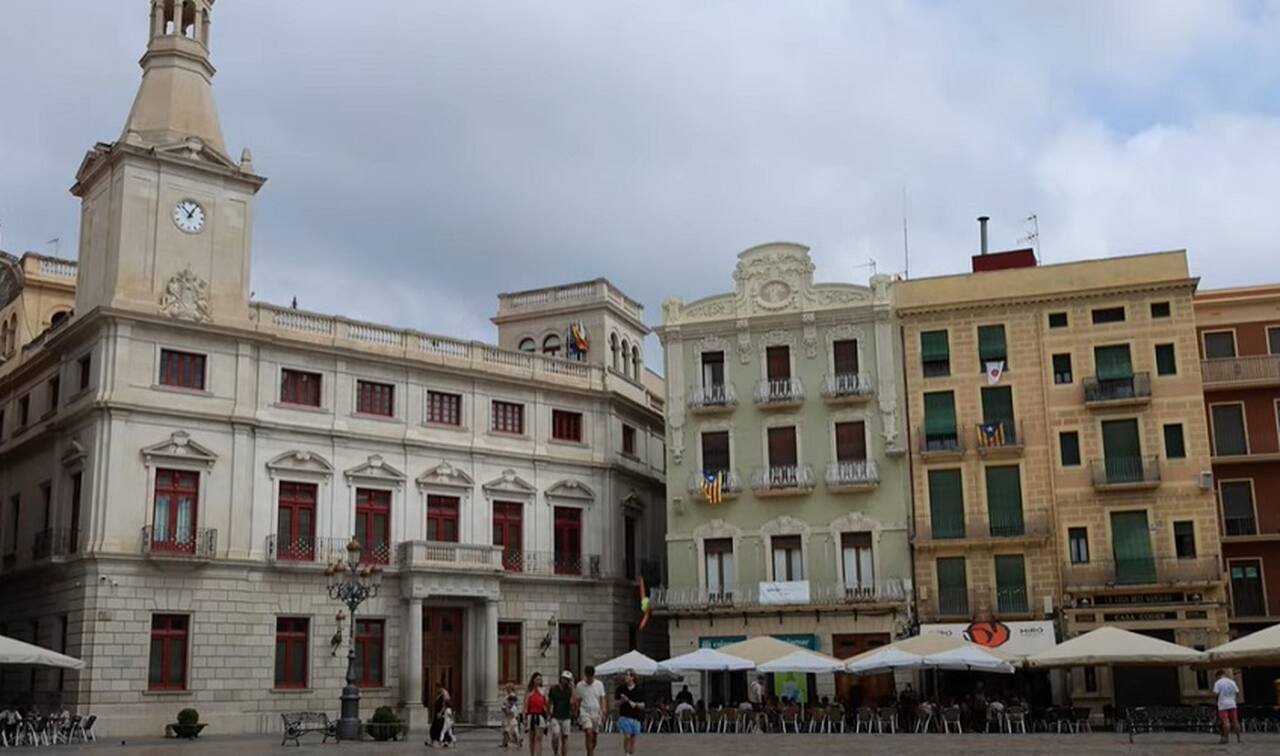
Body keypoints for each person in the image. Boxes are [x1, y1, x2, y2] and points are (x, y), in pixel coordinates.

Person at [575, 665, 607, 756]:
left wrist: (603, 709)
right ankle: (590, 754)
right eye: (588, 676)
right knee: (588, 732)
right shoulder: (580, 685)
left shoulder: (599, 684)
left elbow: (602, 698)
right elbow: (578, 699)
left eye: (591, 676)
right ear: (585, 675)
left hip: (596, 712)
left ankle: (591, 751)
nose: (589, 679)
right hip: (585, 712)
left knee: (594, 736)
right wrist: (577, 711)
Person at [615, 669, 645, 756]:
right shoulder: (621, 689)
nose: (625, 677)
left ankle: (631, 754)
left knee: (633, 738)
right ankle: (626, 754)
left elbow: (643, 705)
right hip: (624, 716)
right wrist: (622, 700)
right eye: (625, 675)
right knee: (627, 736)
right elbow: (616, 704)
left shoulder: (639, 689)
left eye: (627, 675)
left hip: (636, 717)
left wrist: (635, 704)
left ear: (632, 677)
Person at [549, 670, 576, 756]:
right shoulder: (554, 689)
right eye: (564, 679)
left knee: (565, 737)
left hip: (566, 716)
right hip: (555, 715)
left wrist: (573, 688)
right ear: (561, 678)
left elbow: (573, 702)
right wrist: (549, 712)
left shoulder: (569, 690)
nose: (566, 681)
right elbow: (550, 701)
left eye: (568, 679)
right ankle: (556, 751)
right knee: (556, 735)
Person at [1213, 669, 1242, 744]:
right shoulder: (1232, 682)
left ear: (1218, 676)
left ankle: (1226, 738)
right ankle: (1239, 738)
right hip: (1232, 703)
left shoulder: (1218, 683)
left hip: (1222, 704)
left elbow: (1216, 694)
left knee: (1225, 721)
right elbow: (1237, 693)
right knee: (1235, 721)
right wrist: (1233, 699)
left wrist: (1217, 700)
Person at [526, 672, 548, 756]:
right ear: (533, 680)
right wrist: (524, 717)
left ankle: (539, 754)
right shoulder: (529, 690)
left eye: (540, 679)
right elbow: (526, 703)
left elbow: (546, 702)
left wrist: (547, 715)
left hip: (540, 715)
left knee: (539, 737)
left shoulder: (543, 690)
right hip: (531, 715)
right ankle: (532, 753)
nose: (539, 681)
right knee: (531, 738)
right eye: (537, 679)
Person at [426, 680, 451, 747]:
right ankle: (433, 740)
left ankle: (443, 741)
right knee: (435, 728)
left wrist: (440, 713)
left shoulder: (444, 694)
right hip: (437, 714)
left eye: (437, 688)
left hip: (441, 715)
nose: (436, 689)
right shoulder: (439, 694)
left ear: (440, 687)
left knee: (440, 727)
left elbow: (445, 705)